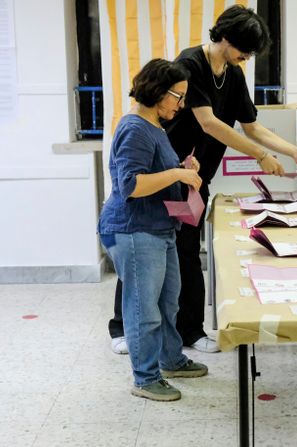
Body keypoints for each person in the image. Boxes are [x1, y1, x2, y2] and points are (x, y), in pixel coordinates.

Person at [109, 5, 297, 354]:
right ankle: (121, 327)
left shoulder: (232, 74)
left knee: (187, 251)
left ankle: (189, 331)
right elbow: (209, 123)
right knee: (143, 249)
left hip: (193, 178)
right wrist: (260, 155)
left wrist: (291, 151)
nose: (246, 58)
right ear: (225, 38)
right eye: (244, 50)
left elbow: (251, 125)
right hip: (162, 173)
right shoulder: (190, 65)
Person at [99, 59, 208, 401]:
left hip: (159, 227)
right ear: (158, 92)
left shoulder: (155, 126)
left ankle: (170, 359)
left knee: (167, 302)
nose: (181, 104)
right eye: (178, 96)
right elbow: (131, 185)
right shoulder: (134, 128)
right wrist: (177, 175)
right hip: (134, 230)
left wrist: (181, 167)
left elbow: (153, 171)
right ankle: (145, 379)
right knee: (143, 309)